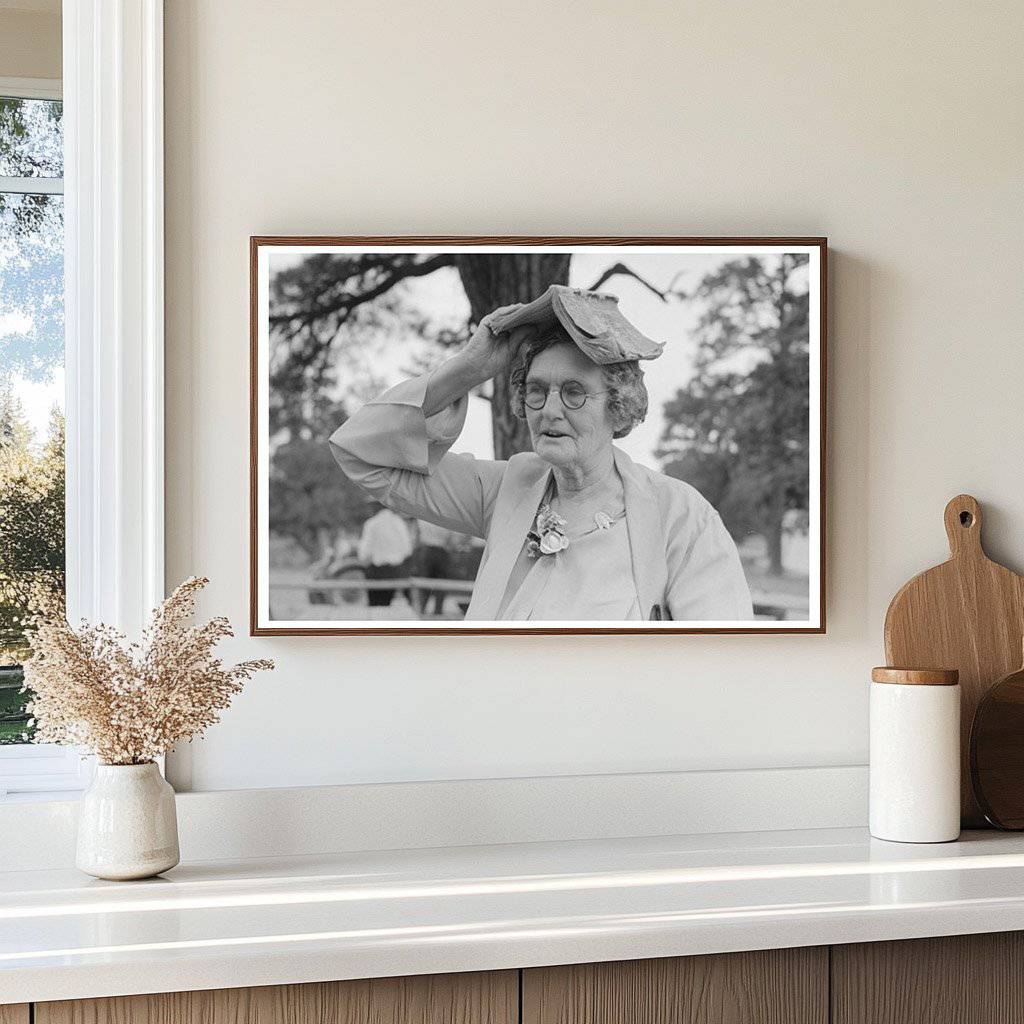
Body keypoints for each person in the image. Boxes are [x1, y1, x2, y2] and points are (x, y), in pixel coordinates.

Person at [329, 288, 753, 622]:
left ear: (618, 405)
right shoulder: (505, 489)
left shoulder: (680, 516)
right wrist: (470, 369)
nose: (549, 409)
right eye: (537, 390)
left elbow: (720, 662)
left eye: (573, 392)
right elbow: (361, 455)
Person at [357, 505, 414, 608]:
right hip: (395, 571)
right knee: (386, 606)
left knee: (374, 607)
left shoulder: (371, 523)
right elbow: (407, 549)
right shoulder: (399, 523)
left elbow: (365, 552)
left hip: (376, 571)